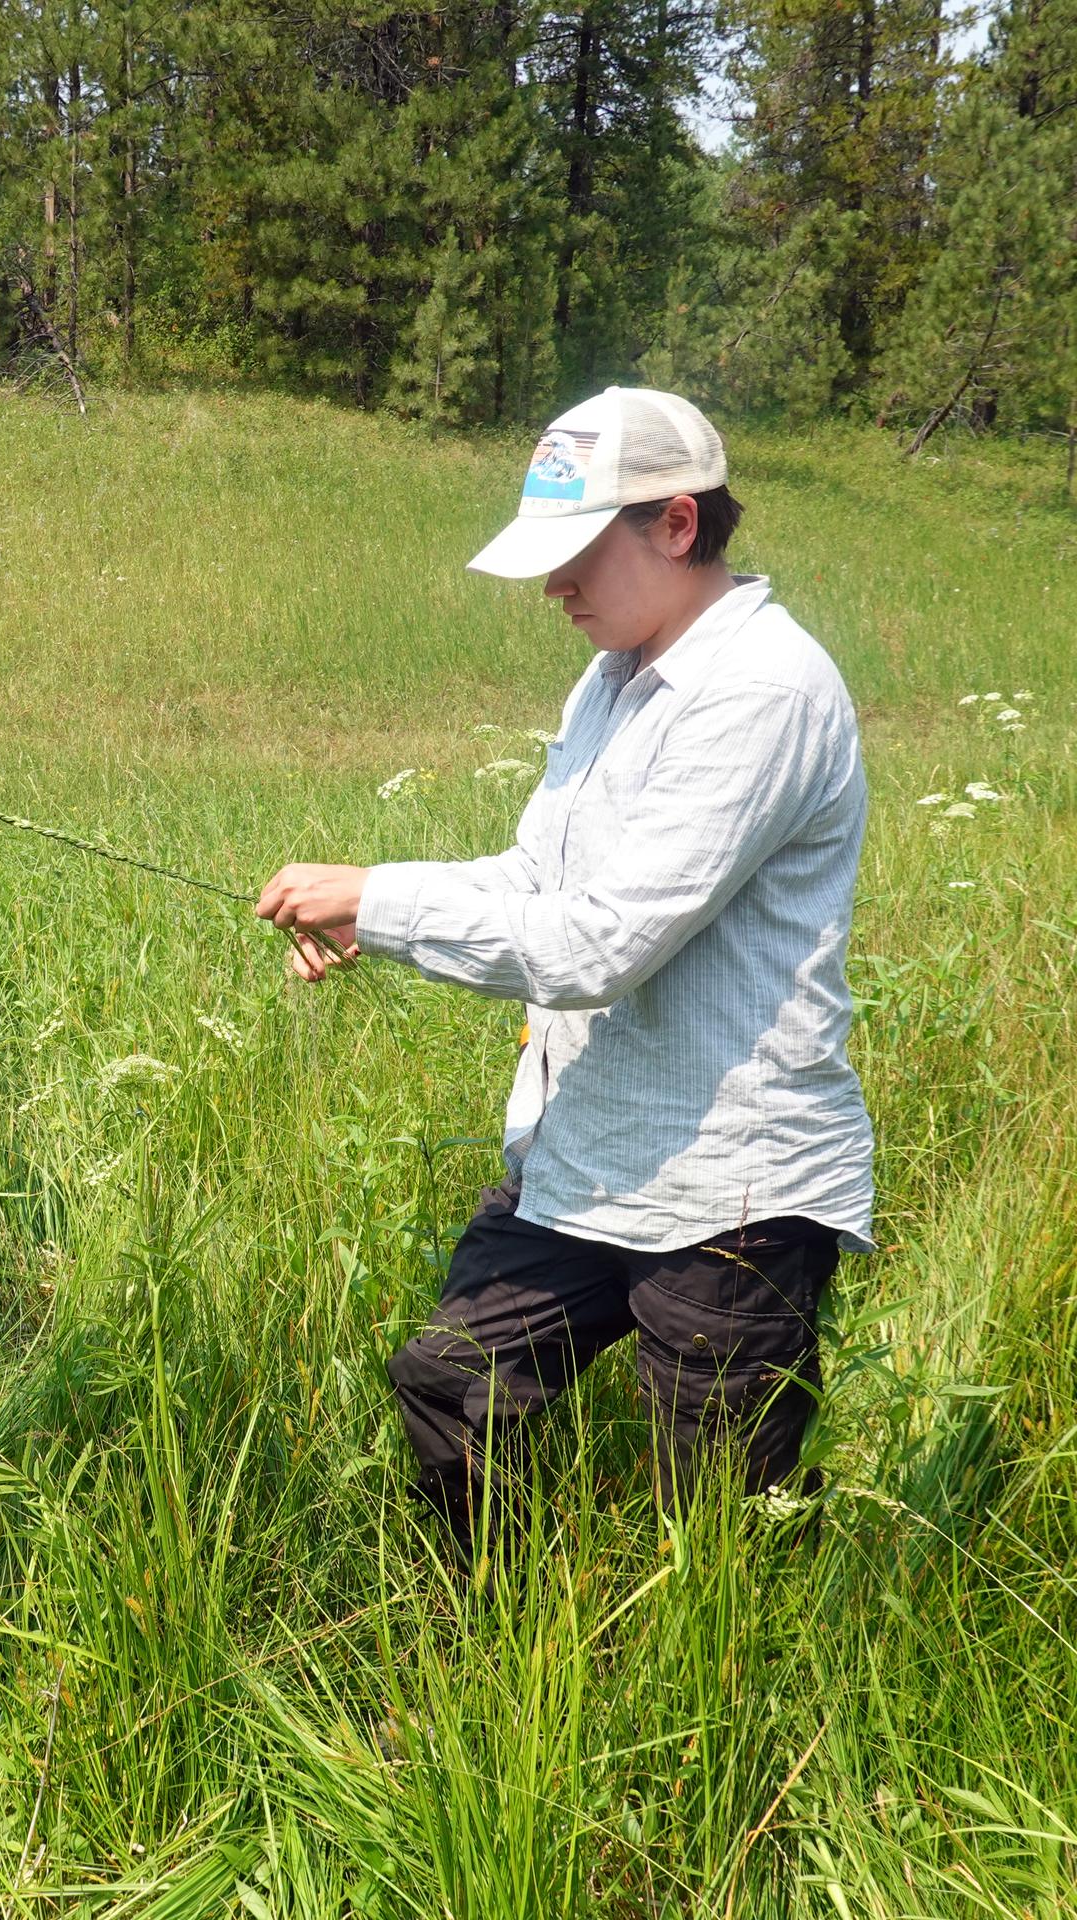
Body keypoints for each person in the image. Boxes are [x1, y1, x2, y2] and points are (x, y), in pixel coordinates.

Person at [255, 386, 873, 1542]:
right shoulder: (615, 676)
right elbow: (538, 880)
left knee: (719, 1523)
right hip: (587, 1153)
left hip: (729, 1188)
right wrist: (373, 904)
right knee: (452, 1382)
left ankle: (729, 1707)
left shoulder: (763, 693)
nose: (554, 587)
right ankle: (504, 1652)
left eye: (579, 553)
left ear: (677, 525)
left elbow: (599, 945)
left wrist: (383, 904)